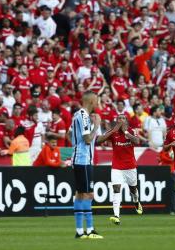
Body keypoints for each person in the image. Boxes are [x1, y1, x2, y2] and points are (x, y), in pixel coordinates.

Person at [97, 114, 142, 225]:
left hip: (130, 166)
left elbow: (137, 141)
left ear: (126, 121)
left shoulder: (131, 130)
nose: (120, 121)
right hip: (117, 166)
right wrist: (112, 131)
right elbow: (98, 140)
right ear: (116, 121)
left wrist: (126, 133)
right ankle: (116, 216)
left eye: (123, 119)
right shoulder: (113, 131)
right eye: (119, 119)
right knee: (116, 189)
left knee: (133, 189)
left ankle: (136, 202)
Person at [70, 90, 103, 239]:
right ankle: (89, 230)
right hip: (82, 160)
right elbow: (88, 139)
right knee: (88, 194)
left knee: (80, 194)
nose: (97, 104)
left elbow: (69, 134)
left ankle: (79, 231)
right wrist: (96, 126)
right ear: (91, 102)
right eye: (96, 101)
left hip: (80, 159)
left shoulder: (78, 115)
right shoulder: (83, 115)